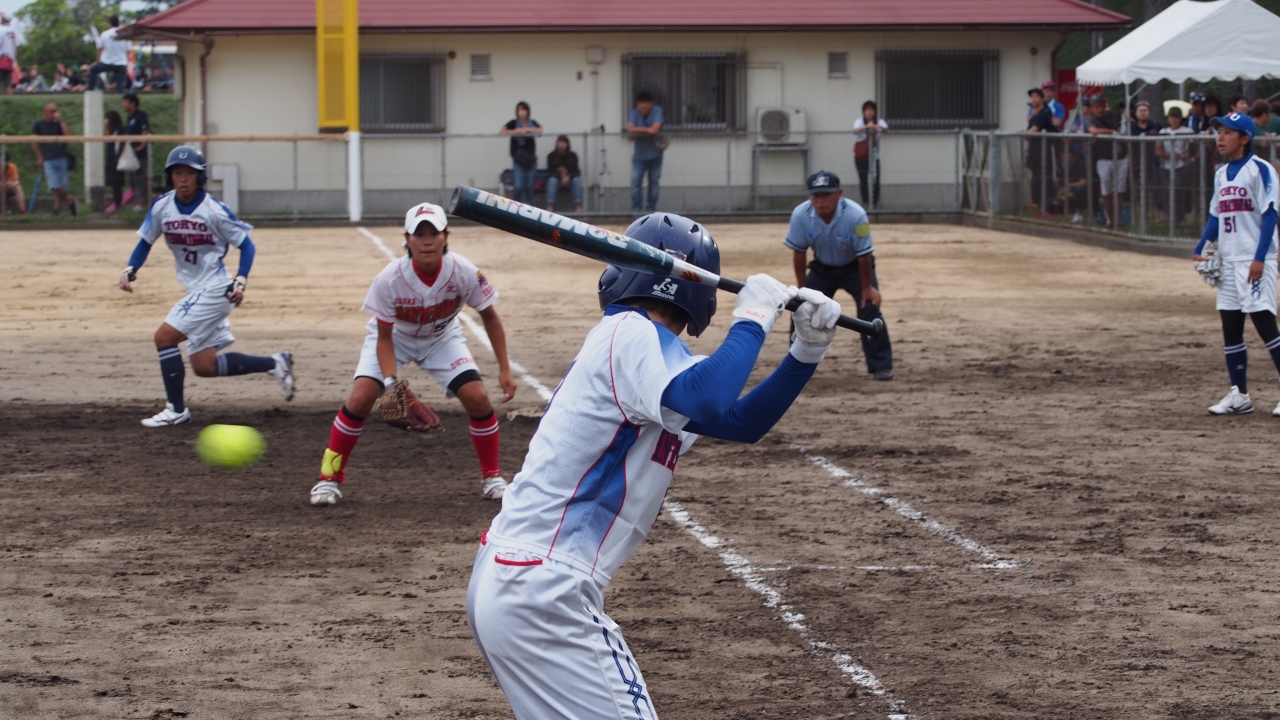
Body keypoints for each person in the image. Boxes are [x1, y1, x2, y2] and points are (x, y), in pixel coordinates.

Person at [467, 211, 843, 720]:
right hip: (544, 586)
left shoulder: (653, 357)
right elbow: (709, 398)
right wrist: (752, 319)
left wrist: (805, 352)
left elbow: (737, 420)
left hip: (518, 579)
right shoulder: (629, 333)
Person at [309, 202, 516, 506]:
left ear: (447, 235)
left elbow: (490, 317)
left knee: (477, 397)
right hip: (396, 338)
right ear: (406, 239)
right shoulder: (388, 280)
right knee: (361, 398)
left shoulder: (465, 272)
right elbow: (383, 337)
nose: (427, 240)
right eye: (419, 234)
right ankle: (328, 480)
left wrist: (504, 369)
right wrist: (391, 383)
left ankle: (492, 477)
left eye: (434, 232)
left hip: (442, 337)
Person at [117, 146, 295, 427]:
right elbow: (145, 241)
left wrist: (241, 279)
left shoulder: (213, 210)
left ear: (201, 178)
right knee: (204, 366)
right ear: (169, 176)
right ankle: (275, 363)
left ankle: (176, 411)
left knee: (164, 338)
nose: (183, 178)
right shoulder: (162, 206)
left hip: (215, 289)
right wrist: (131, 268)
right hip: (195, 290)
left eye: (190, 173)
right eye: (177, 173)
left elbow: (246, 244)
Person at [1191, 113, 1280, 416]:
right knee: (1231, 325)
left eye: (1228, 132)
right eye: (1219, 131)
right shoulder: (1221, 173)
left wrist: (1259, 257)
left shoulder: (1260, 170)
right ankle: (1239, 394)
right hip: (1229, 261)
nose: (1220, 137)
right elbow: (1217, 214)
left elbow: (1270, 215)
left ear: (1244, 138)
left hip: (1255, 260)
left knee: (1266, 325)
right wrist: (1201, 245)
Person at [786, 171, 895, 380]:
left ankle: (882, 365)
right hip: (822, 268)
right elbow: (799, 253)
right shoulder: (800, 215)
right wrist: (802, 290)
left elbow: (865, 255)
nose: (821, 200)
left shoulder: (856, 215)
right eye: (816, 195)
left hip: (856, 268)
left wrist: (867, 288)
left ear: (839, 194)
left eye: (826, 195)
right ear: (810, 196)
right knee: (801, 309)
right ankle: (795, 366)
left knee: (869, 309)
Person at [1086, 96, 1127, 226]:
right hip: (1103, 158)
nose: (1100, 109)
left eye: (1102, 106)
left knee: (1119, 190)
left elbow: (1121, 130)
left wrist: (1109, 133)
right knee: (1106, 190)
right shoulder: (1091, 120)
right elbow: (1093, 131)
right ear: (1093, 108)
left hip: (1120, 157)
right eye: (1097, 107)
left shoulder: (1114, 117)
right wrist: (1111, 132)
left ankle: (1118, 220)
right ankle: (1110, 220)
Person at [31, 103, 76, 216]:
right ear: (45, 112)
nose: (54, 113)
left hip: (61, 157)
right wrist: (40, 157)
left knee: (61, 186)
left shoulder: (59, 124)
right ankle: (70, 202)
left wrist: (60, 120)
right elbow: (34, 142)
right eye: (52, 111)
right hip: (48, 159)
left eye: (55, 110)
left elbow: (69, 136)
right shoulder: (39, 125)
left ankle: (56, 209)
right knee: (56, 186)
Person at [626, 91, 665, 213]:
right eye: (640, 103)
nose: (642, 106)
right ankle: (636, 209)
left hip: (655, 154)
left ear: (651, 103)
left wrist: (638, 131)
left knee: (654, 182)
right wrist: (648, 130)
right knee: (636, 181)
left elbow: (655, 129)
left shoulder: (657, 111)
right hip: (639, 155)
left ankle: (651, 209)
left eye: (645, 103)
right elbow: (629, 129)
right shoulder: (634, 113)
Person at [1156, 106, 1195, 225]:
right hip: (1166, 166)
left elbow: (1196, 146)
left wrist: (1191, 159)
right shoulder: (1163, 132)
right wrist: (1166, 154)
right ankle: (1169, 216)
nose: (1174, 119)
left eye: (1176, 117)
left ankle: (1179, 218)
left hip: (1181, 166)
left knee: (1179, 192)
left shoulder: (1187, 131)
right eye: (1171, 117)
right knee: (1167, 192)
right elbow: (1157, 149)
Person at [1026, 87, 1060, 217]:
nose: (1033, 100)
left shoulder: (1043, 114)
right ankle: (1037, 204)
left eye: (1036, 97)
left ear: (1041, 99)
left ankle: (1048, 207)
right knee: (1035, 178)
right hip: (1034, 152)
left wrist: (1027, 134)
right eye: (1032, 97)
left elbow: (1033, 131)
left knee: (1046, 179)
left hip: (1044, 152)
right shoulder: (1034, 115)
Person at [500, 101, 541, 206]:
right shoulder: (513, 123)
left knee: (530, 184)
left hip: (531, 158)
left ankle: (528, 205)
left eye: (524, 110)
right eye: (520, 110)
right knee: (518, 185)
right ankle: (516, 206)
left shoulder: (532, 123)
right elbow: (502, 131)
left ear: (528, 111)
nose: (522, 113)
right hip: (518, 158)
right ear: (517, 112)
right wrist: (516, 131)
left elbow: (540, 130)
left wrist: (527, 129)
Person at [853, 100, 888, 208]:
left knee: (876, 180)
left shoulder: (879, 121)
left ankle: (875, 202)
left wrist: (877, 127)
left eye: (872, 109)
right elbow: (855, 130)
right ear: (863, 111)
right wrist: (867, 127)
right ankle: (866, 202)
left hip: (874, 156)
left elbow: (886, 128)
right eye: (867, 110)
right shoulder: (859, 121)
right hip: (862, 156)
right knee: (863, 179)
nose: (869, 112)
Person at [122, 94, 151, 209]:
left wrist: (141, 146)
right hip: (131, 154)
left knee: (139, 178)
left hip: (139, 154)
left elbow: (145, 131)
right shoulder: (129, 117)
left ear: (132, 103)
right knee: (133, 179)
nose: (123, 105)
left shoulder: (140, 116)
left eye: (125, 102)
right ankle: (136, 202)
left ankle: (141, 203)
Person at [89, 15, 130, 92]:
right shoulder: (125, 34)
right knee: (120, 84)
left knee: (93, 70)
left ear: (110, 24)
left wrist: (97, 62)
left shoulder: (105, 34)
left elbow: (100, 50)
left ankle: (90, 91)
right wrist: (127, 63)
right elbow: (128, 51)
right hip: (121, 63)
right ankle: (120, 96)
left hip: (107, 63)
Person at [544, 135, 583, 213]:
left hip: (570, 180)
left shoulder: (573, 156)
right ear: (556, 144)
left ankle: (578, 206)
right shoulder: (551, 156)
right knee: (552, 180)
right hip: (557, 180)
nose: (562, 145)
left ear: (567, 144)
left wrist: (568, 176)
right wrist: (561, 176)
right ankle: (550, 206)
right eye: (560, 142)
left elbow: (576, 171)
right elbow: (550, 172)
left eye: (564, 143)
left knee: (576, 180)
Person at [103, 110, 126, 215]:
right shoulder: (110, 131)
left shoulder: (119, 130)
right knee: (113, 185)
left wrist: (117, 159)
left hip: (116, 160)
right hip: (110, 160)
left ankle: (118, 204)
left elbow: (121, 146)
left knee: (117, 185)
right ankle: (116, 204)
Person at [0, 14, 18, 96]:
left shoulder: (1, 29)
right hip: (10, 60)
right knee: (8, 82)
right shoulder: (13, 31)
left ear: (4, 19)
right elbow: (17, 46)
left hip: (1, 58)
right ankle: (9, 98)